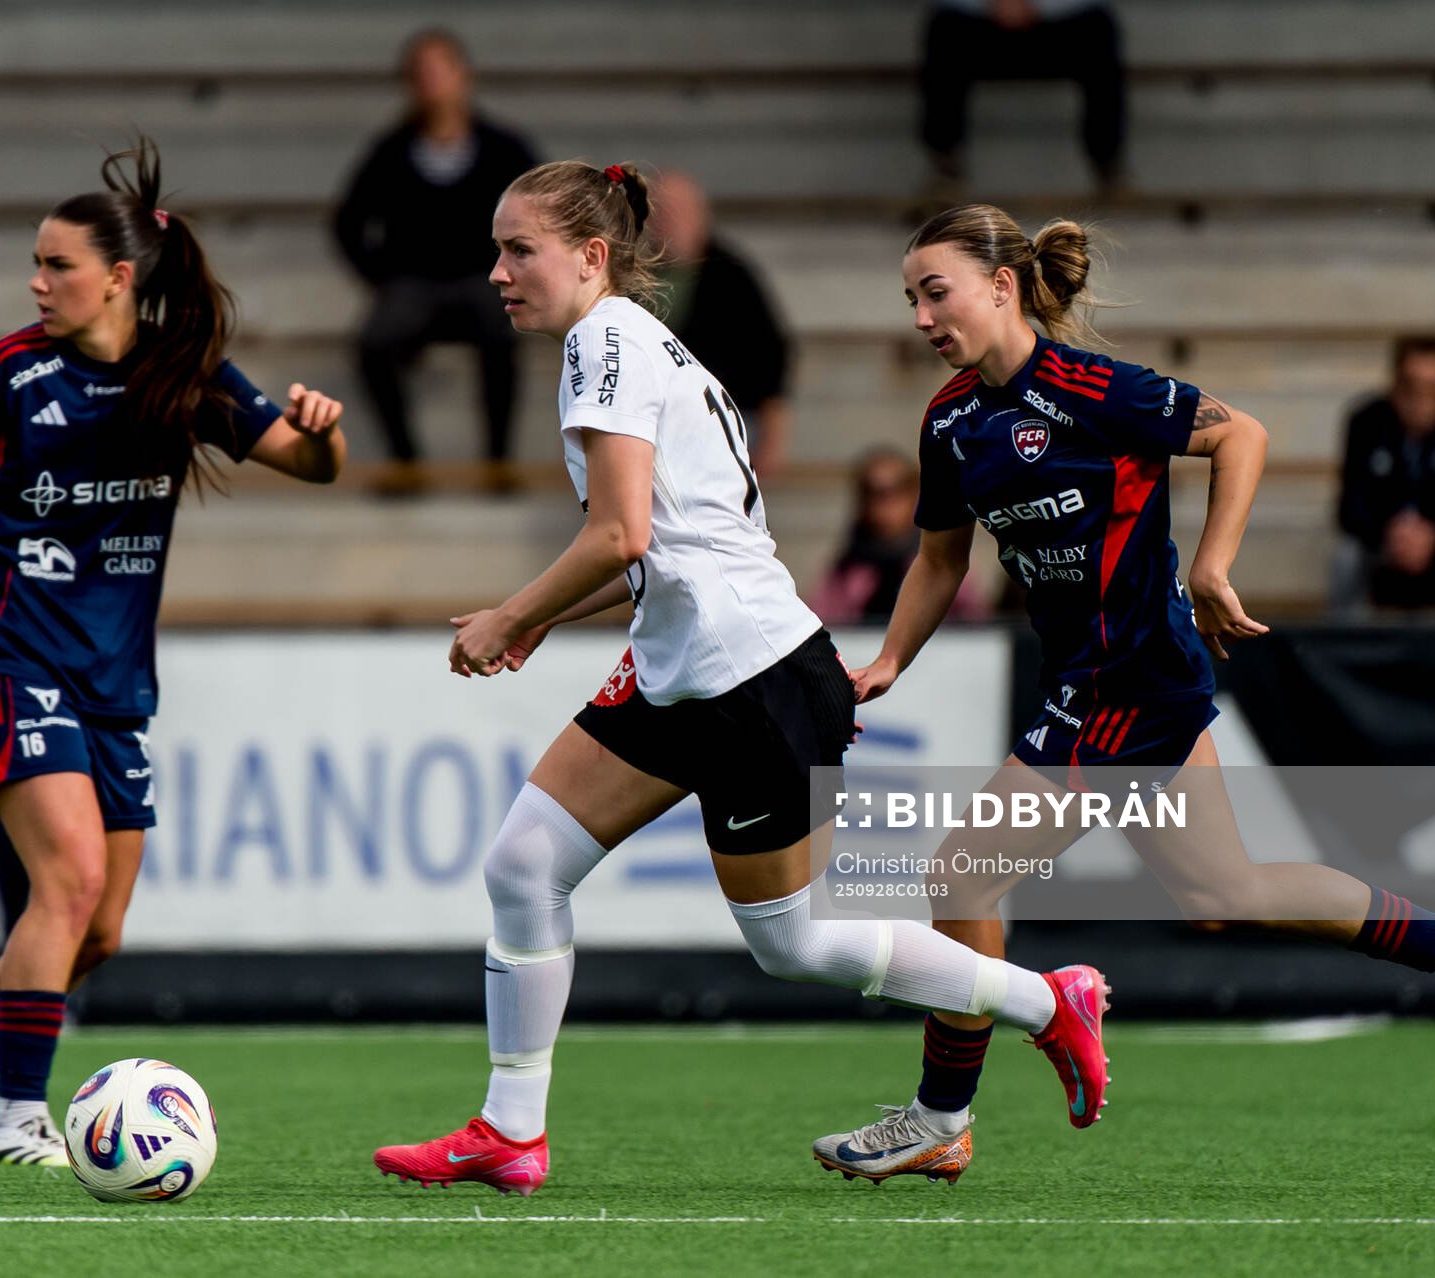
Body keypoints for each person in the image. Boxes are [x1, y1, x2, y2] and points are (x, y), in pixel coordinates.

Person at [370, 163, 1115, 1198]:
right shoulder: (632, 337)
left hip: (747, 676)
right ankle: (510, 1130)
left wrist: (515, 612)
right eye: (497, 250)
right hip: (694, 663)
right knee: (525, 864)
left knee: (797, 943)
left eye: (517, 249)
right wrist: (550, 616)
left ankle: (1048, 1000)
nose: (497, 272)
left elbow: (623, 532)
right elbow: (666, 541)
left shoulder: (605, 341)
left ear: (590, 257)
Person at [808, 205, 1435, 1186]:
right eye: (910, 299)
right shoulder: (951, 422)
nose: (920, 316)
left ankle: (942, 1117)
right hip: (1101, 680)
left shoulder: (1093, 389)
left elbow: (1241, 434)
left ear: (1002, 285)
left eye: (935, 291)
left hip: (1128, 680)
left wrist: (1213, 566)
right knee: (1226, 888)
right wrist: (892, 659)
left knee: (963, 876)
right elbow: (941, 558)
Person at [0, 138, 345, 1166]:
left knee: (99, 933)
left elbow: (310, 465)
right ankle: (17, 1119)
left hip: (115, 679)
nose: (37, 282)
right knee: (69, 884)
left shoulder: (185, 376)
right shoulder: (8, 371)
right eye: (37, 264)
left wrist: (321, 431)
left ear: (121, 279)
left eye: (58, 265)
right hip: (11, 654)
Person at [331, 29, 539, 488]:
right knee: (374, 343)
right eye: (420, 75)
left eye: (439, 71)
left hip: (487, 281)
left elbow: (544, 214)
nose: (431, 84)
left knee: (503, 337)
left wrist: (520, 271)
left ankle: (497, 463)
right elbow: (348, 221)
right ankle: (406, 462)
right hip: (412, 285)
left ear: (463, 76)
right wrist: (379, 278)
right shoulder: (391, 150)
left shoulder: (504, 148)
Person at [1331, 336, 1435, 617]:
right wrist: (1390, 534)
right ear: (1395, 385)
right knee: (1347, 556)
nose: (1422, 400)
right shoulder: (1366, 421)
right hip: (1382, 545)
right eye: (1412, 388)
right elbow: (1349, 507)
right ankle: (1343, 652)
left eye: (1433, 389)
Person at [651, 171, 793, 475]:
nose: (667, 221)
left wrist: (773, 436)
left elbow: (771, 354)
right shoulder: (635, 277)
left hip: (722, 421)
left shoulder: (732, 276)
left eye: (677, 212)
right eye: (658, 211)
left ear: (701, 215)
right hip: (654, 425)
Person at [919, 1, 1126, 193]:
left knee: (1098, 26)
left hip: (1056, 24)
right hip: (979, 24)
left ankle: (1107, 165)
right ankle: (945, 165)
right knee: (945, 27)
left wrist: (1039, 5)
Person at [809, 448, 922, 626]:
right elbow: (822, 625)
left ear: (915, 496)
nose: (881, 506)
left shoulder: (938, 564)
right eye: (871, 494)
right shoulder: (846, 571)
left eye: (893, 492)